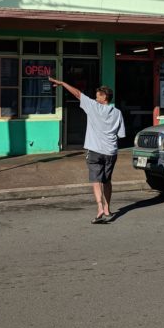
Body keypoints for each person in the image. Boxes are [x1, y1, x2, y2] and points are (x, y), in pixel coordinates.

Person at [48, 76, 126, 224]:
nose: (95, 98)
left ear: (104, 97)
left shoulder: (93, 107)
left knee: (96, 180)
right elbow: (121, 135)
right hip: (111, 152)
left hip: (95, 151)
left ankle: (99, 208)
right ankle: (108, 208)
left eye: (97, 96)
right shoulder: (117, 113)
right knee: (107, 181)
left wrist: (62, 83)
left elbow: (77, 93)